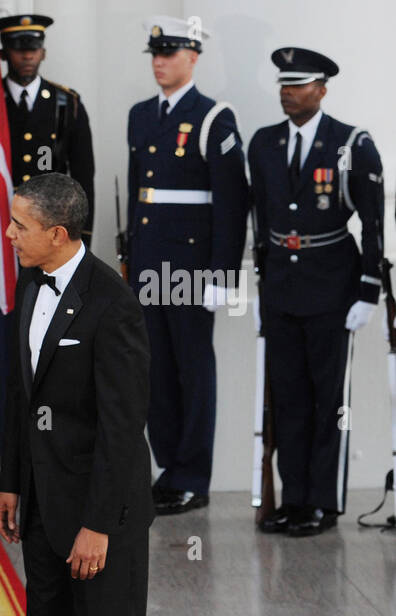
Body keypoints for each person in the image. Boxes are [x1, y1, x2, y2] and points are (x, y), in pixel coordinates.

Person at [0, 173, 153, 616]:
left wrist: (97, 526)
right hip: (41, 508)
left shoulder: (112, 305)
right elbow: (22, 400)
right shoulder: (30, 285)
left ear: (57, 234)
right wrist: (13, 482)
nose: (9, 234)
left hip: (98, 517)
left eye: (19, 225)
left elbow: (122, 428)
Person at [249, 48, 383, 537]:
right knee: (288, 400)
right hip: (282, 288)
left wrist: (368, 290)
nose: (288, 92)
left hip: (333, 288)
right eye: (284, 84)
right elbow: (261, 218)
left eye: (299, 84)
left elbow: (372, 223)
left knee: (330, 402)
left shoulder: (351, 144)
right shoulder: (263, 143)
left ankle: (324, 503)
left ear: (322, 89)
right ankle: (294, 499)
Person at [127, 15, 248, 515]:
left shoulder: (213, 116)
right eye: (155, 53)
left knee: (193, 370)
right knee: (154, 368)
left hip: (192, 267)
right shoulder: (140, 114)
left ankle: (193, 477)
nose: (160, 61)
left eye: (170, 53)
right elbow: (139, 193)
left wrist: (224, 275)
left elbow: (233, 201)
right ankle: (168, 470)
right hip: (150, 261)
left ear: (193, 57)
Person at [0, 13, 95, 438]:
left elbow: (82, 178)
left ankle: (52, 434)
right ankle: (11, 437)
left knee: (56, 341)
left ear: (44, 51)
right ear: (6, 53)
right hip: (4, 241)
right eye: (18, 47)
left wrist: (77, 244)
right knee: (7, 344)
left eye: (33, 46)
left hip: (54, 243)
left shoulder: (66, 103)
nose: (27, 54)